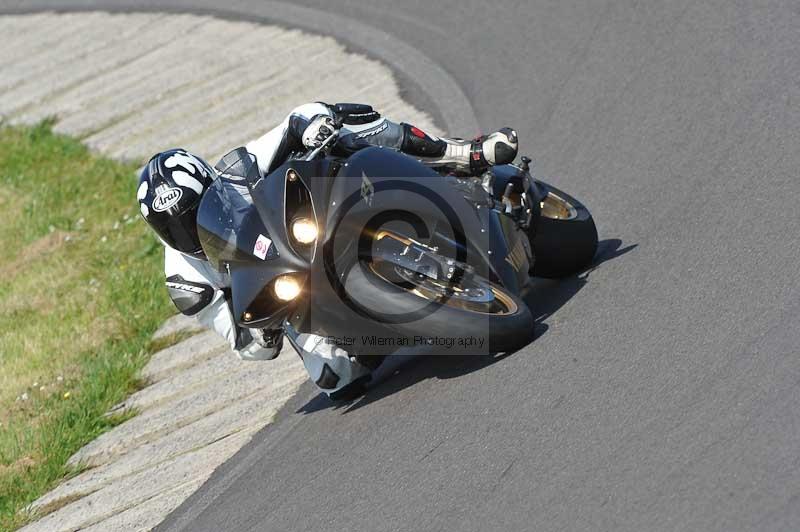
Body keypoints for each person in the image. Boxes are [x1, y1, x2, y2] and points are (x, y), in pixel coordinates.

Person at [137, 102, 518, 399]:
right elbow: (243, 344)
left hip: (319, 222)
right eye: (172, 227)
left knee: (348, 129)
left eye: (193, 213)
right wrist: (261, 334)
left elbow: (297, 119)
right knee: (336, 379)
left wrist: (313, 127)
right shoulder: (186, 283)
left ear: (211, 184)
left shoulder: (238, 170)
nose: (187, 230)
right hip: (296, 295)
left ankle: (458, 154)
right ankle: (385, 325)